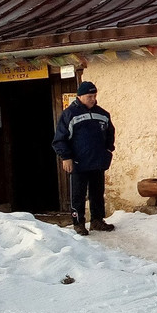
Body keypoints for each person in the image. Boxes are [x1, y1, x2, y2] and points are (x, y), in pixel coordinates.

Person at [52, 81, 116, 236]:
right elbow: (60, 139)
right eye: (89, 96)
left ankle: (97, 220)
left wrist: (108, 150)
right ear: (80, 96)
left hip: (98, 162)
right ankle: (78, 222)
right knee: (78, 195)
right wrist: (66, 157)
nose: (93, 99)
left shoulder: (103, 114)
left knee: (97, 193)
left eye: (94, 96)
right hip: (78, 163)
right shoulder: (69, 114)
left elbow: (110, 134)